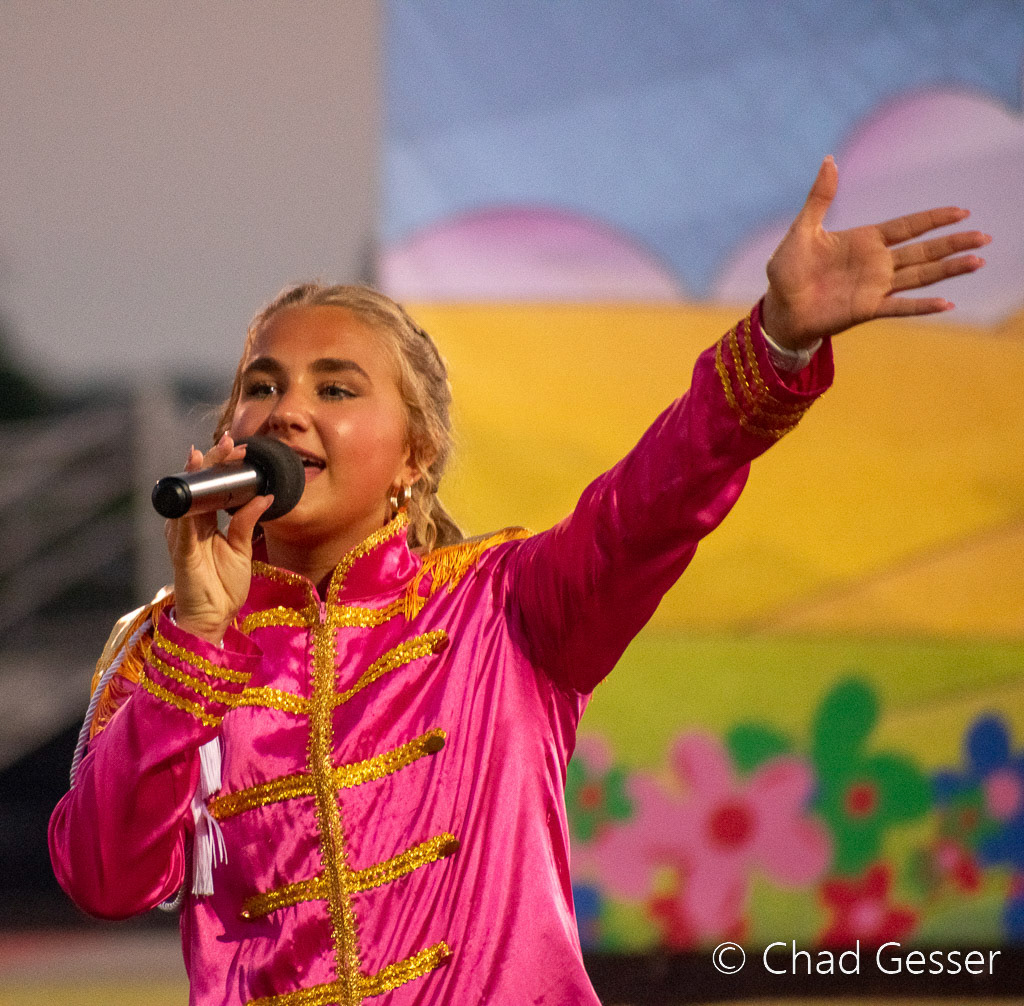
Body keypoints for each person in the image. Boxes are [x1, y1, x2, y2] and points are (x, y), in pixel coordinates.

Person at [49, 158, 988, 1005]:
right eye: (262, 386)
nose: (287, 412)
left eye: (335, 389)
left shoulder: (507, 608)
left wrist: (775, 348)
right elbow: (103, 881)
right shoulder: (166, 651)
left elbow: (653, 501)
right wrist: (199, 642)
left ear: (414, 457)